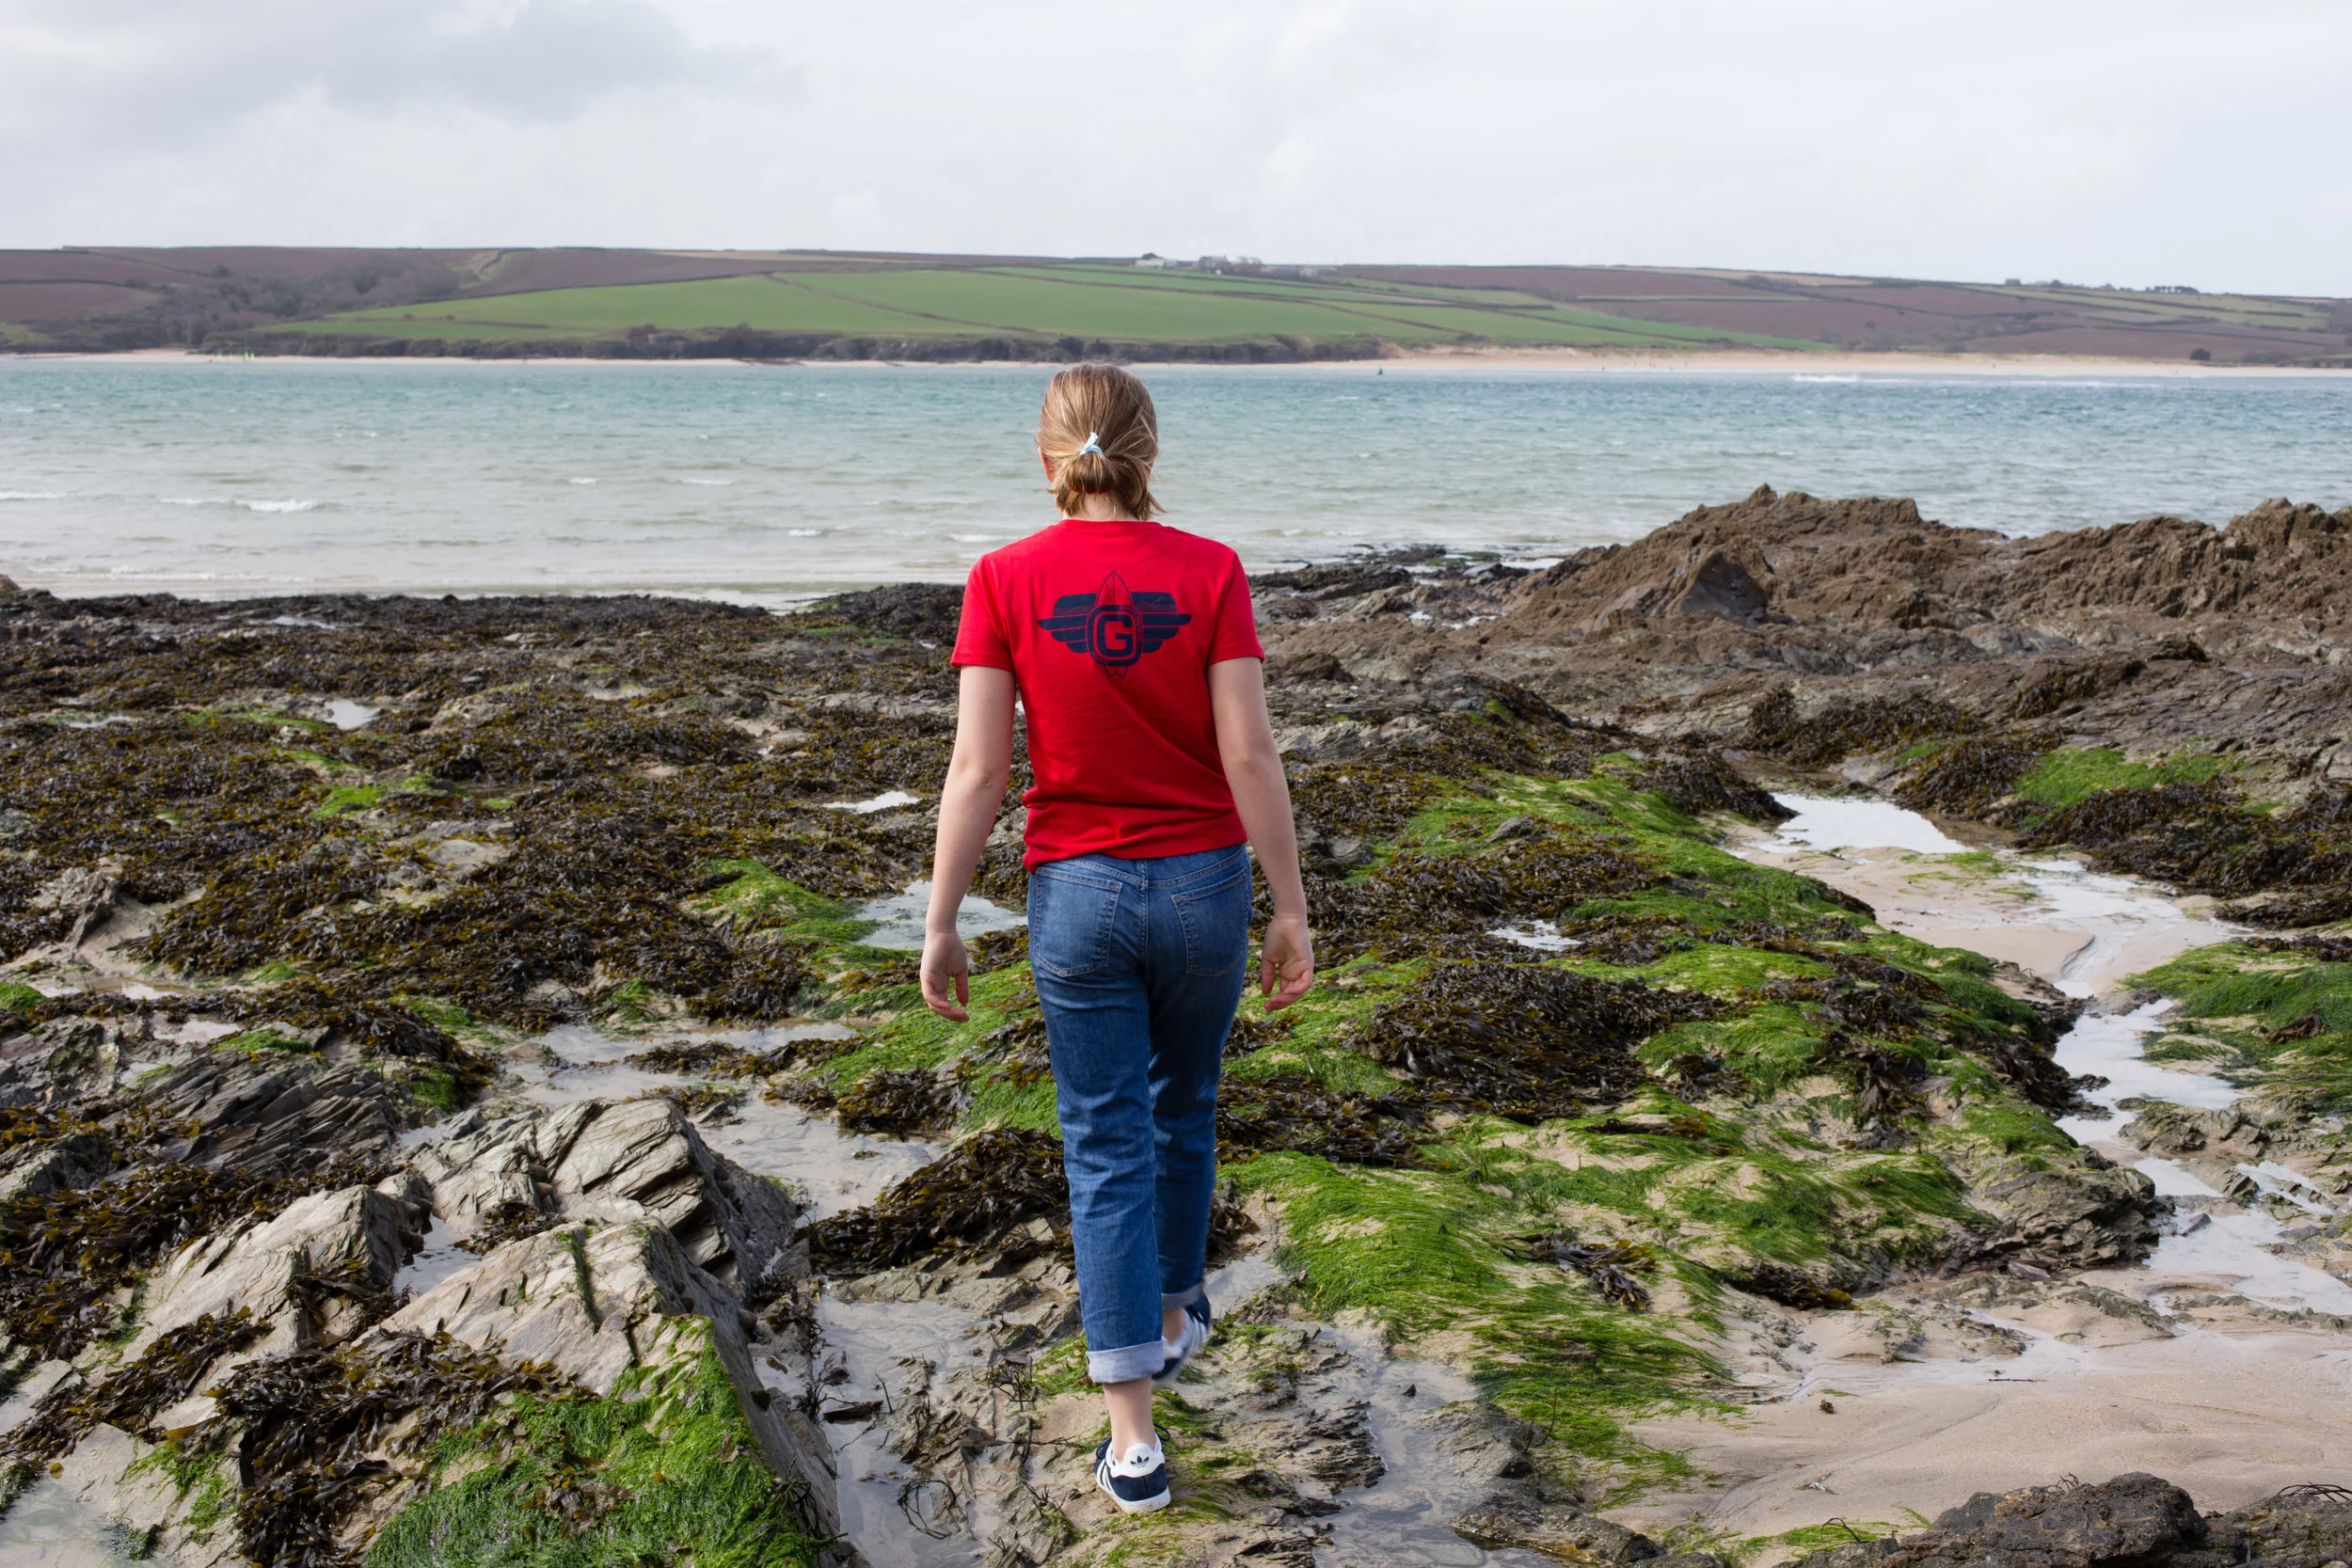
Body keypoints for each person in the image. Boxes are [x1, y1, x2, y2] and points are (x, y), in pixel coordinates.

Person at [918, 364, 1314, 1516]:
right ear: (1148, 453)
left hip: (1077, 893)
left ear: (1047, 458)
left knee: (1103, 1142)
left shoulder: (1001, 577)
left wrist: (941, 917)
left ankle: (1132, 1438)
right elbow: (1249, 753)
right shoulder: (1210, 569)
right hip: (1203, 886)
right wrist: (1289, 905)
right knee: (1184, 1101)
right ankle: (1175, 1308)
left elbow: (978, 768)